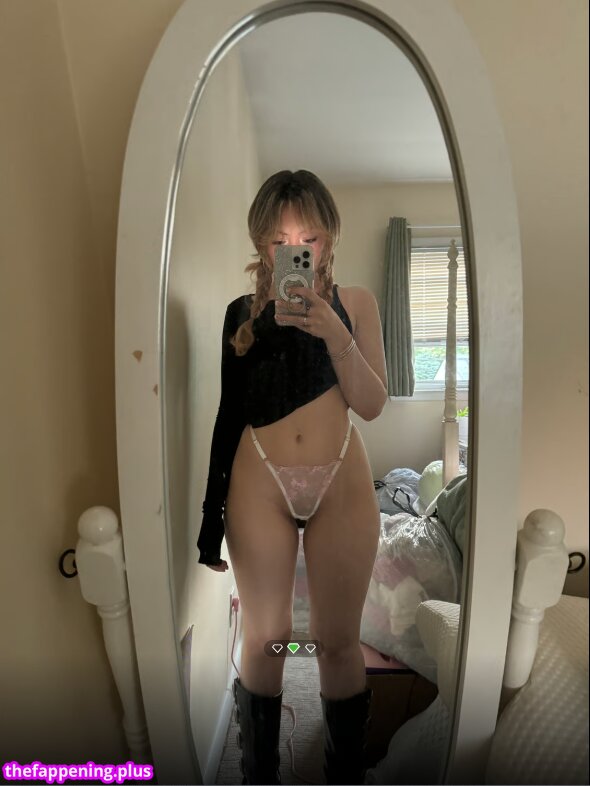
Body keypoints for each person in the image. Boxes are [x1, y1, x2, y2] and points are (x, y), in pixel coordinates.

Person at [197, 170, 388, 785]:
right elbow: (228, 418)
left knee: (337, 640)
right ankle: (258, 773)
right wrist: (208, 523)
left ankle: (344, 774)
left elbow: (371, 403)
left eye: (308, 237)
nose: (295, 249)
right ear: (262, 244)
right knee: (267, 638)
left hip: (341, 479)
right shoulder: (240, 314)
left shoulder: (357, 303)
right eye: (280, 240)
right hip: (259, 481)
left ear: (329, 239)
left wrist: (334, 330)